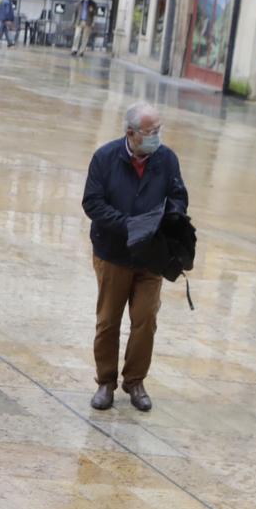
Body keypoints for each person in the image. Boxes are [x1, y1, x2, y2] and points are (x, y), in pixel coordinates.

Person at [82, 103, 188, 414]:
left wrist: (169, 218)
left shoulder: (166, 159)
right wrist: (129, 224)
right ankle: (105, 381)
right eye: (151, 132)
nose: (157, 136)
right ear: (131, 133)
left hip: (151, 256)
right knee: (108, 320)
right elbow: (92, 203)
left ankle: (135, 380)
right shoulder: (105, 157)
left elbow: (179, 196)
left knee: (145, 319)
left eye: (159, 130)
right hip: (113, 253)